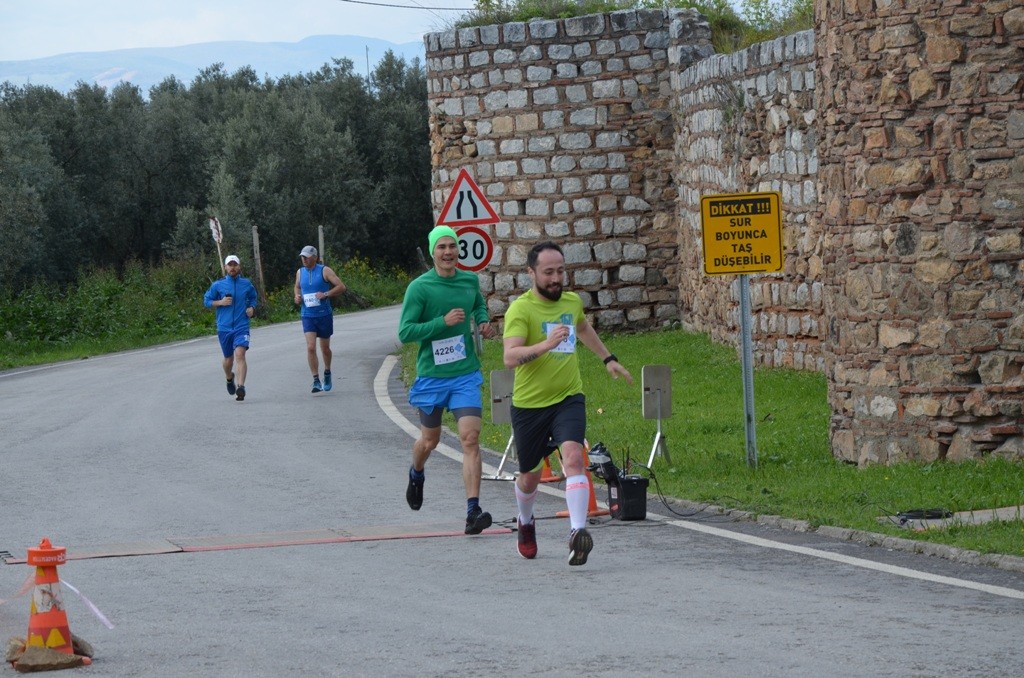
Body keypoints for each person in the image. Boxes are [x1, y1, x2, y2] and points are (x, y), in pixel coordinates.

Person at [502, 240, 633, 566]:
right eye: (548, 272)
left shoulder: (571, 302)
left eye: (561, 271)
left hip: (568, 398)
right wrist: (546, 345)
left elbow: (583, 328)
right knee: (529, 477)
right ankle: (526, 521)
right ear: (531, 272)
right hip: (530, 405)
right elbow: (510, 357)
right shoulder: (521, 310)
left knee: (574, 457)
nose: (556, 278)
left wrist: (608, 359)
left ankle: (577, 533)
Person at [398, 225, 497, 535]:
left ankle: (472, 511)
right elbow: (406, 332)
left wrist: (483, 320)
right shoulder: (419, 288)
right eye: (441, 247)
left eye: (452, 246)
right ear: (432, 252)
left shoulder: (469, 280)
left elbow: (477, 303)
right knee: (430, 440)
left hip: (464, 374)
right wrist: (442, 322)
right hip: (432, 377)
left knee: (470, 438)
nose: (448, 252)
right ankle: (416, 472)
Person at [203, 254, 258, 401]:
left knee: (240, 354)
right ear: (225, 267)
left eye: (235, 265)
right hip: (224, 328)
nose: (233, 267)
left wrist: (252, 308)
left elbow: (253, 297)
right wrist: (220, 302)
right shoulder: (218, 285)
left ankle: (241, 387)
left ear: (239, 267)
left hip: (241, 326)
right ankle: (229, 377)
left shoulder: (246, 284)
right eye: (230, 265)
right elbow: (206, 301)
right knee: (228, 359)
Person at [293, 245, 347, 393]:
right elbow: (297, 287)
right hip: (307, 315)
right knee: (310, 347)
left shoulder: (325, 271)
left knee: (325, 348)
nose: (304, 259)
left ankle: (327, 372)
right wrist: (297, 296)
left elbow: (341, 287)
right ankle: (316, 380)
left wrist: (326, 294)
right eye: (302, 257)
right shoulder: (300, 272)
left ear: (315, 257)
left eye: (306, 257)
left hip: (324, 315)